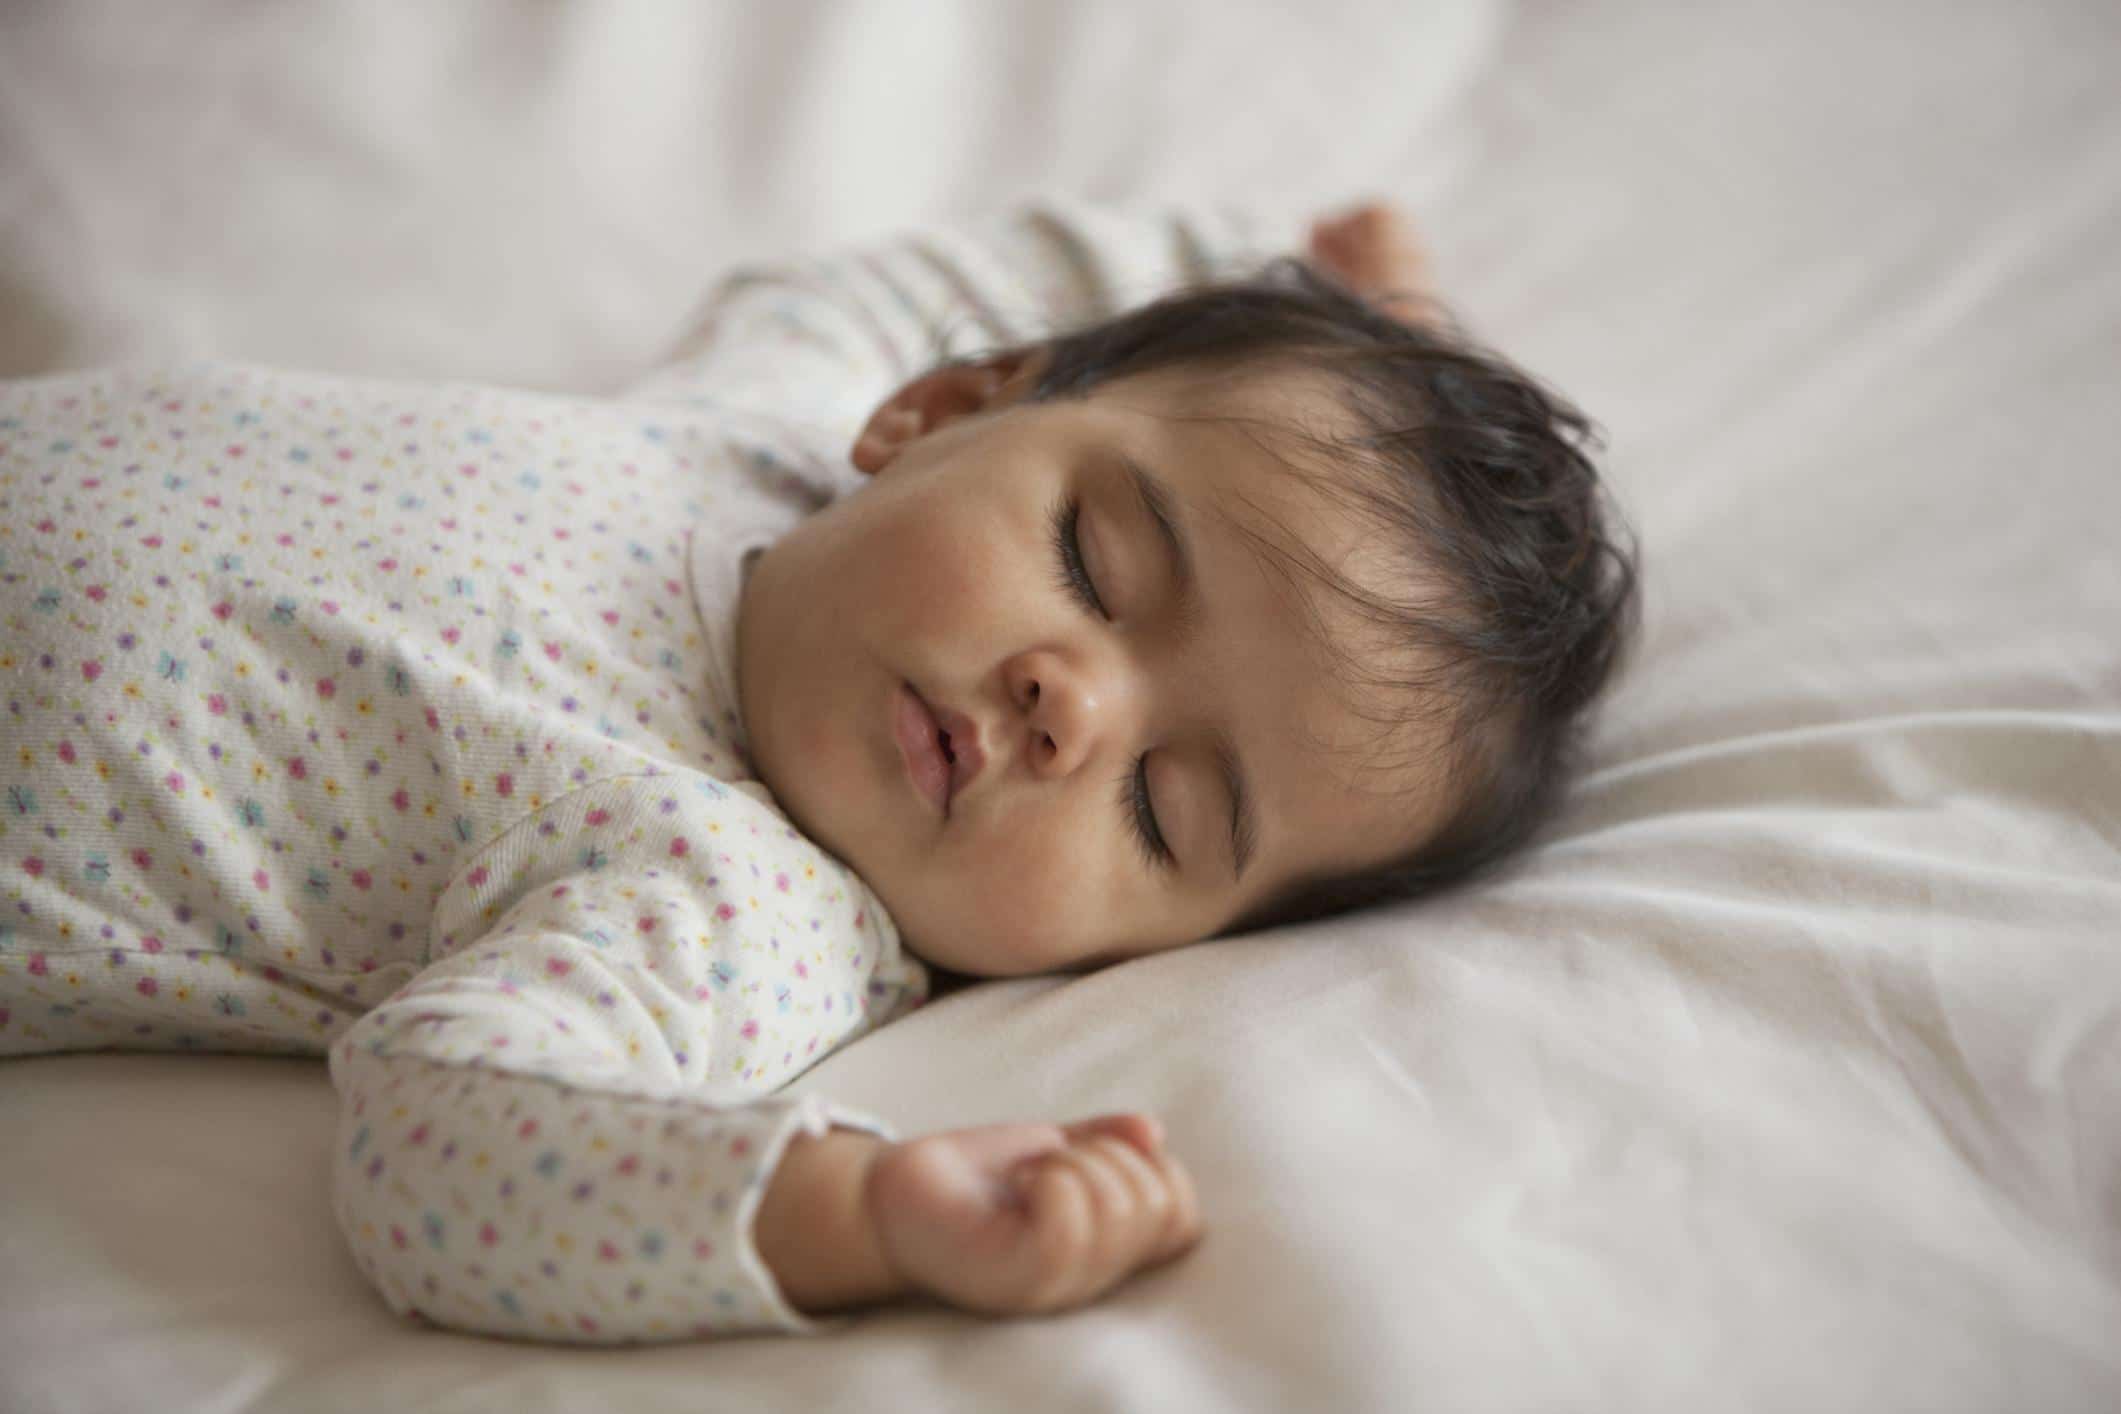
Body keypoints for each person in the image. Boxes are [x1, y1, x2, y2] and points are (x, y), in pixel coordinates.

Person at [0, 200, 1638, 1343]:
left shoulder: (730, 899)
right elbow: (990, 267)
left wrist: (857, 1214)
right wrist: (1382, 338)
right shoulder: (759, 427)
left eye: (1162, 807)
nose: (1071, 709)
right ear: (942, 407)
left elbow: (451, 1146)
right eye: (1092, 556)